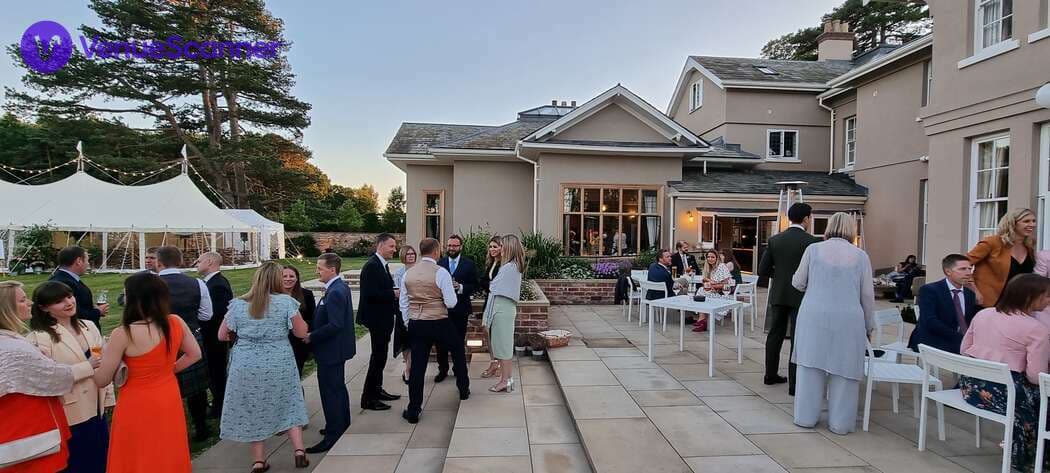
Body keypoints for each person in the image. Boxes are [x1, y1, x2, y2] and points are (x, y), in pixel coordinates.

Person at [95, 272, 200, 473]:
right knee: (168, 447)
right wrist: (167, 370)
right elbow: (194, 354)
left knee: (138, 451)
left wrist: (90, 364)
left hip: (136, 401)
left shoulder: (123, 333)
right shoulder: (175, 322)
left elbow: (102, 379)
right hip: (168, 394)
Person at [219, 262, 311, 471]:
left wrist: (244, 336)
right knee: (289, 402)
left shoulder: (238, 304)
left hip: (246, 362)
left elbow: (222, 335)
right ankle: (299, 451)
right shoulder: (286, 302)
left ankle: (258, 461)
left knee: (253, 407)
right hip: (279, 361)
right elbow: (300, 332)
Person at [791, 212, 874, 435]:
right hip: (848, 317)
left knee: (810, 366)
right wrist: (869, 325)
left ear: (828, 227)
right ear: (852, 229)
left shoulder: (813, 250)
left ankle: (805, 417)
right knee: (845, 370)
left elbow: (798, 282)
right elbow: (867, 295)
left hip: (814, 314)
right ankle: (840, 423)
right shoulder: (861, 256)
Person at [958, 274, 1050, 473]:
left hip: (971, 387)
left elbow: (964, 350)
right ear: (1030, 297)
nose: (1049, 300)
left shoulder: (983, 314)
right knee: (1044, 402)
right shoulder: (1037, 329)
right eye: (1047, 296)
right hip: (1007, 394)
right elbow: (1036, 377)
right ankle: (1035, 458)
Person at [26, 282, 114, 473]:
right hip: (70, 414)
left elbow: (102, 362)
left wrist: (108, 398)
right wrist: (87, 366)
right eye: (59, 301)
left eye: (69, 296)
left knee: (102, 462)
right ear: (44, 308)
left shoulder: (89, 326)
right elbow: (47, 378)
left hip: (97, 410)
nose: (68, 302)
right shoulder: (39, 337)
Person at [0, 281, 78, 473]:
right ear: (6, 308)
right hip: (32, 436)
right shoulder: (14, 348)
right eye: (22, 300)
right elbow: (56, 378)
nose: (29, 303)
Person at [401, 238, 471, 423]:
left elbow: (403, 303)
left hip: (417, 322)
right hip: (439, 321)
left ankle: (413, 410)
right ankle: (463, 389)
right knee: (457, 350)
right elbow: (451, 302)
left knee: (417, 366)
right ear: (436, 251)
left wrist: (408, 321)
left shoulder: (408, 273)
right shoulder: (441, 272)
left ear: (420, 251)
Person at [757, 203, 822, 393]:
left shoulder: (775, 240)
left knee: (774, 335)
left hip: (779, 293)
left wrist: (780, 276)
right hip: (801, 296)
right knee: (797, 338)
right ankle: (794, 384)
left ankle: (770, 375)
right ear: (806, 219)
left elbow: (762, 270)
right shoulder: (812, 242)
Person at [154, 245, 213, 441]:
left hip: (157, 339)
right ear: (179, 261)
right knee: (197, 388)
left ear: (158, 262)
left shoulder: (149, 284)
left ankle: (170, 429)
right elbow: (207, 315)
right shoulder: (197, 283)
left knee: (163, 384)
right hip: (190, 337)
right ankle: (201, 427)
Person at [304, 253, 356, 453]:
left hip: (331, 351)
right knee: (338, 389)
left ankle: (333, 435)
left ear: (332, 269)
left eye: (320, 268)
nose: (317, 271)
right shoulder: (338, 287)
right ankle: (341, 424)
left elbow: (335, 324)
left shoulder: (335, 292)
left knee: (330, 392)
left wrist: (312, 336)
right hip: (336, 349)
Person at [357, 234, 401, 411]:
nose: (394, 250)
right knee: (378, 357)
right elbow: (370, 294)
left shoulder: (381, 265)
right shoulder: (372, 266)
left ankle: (377, 390)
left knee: (381, 356)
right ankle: (368, 398)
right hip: (377, 320)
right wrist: (393, 293)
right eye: (391, 246)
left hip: (383, 318)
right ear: (381, 245)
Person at [906, 254, 981, 354]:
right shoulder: (929, 290)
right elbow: (930, 322)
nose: (968, 273)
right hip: (932, 339)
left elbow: (973, 319)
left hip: (959, 340)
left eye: (970, 269)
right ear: (948, 271)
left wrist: (976, 290)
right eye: (963, 269)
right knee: (975, 354)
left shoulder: (969, 293)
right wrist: (962, 338)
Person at [968, 208, 1037, 308]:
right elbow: (963, 264)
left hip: (1018, 304)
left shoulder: (1029, 246)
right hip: (988, 303)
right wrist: (974, 290)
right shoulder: (992, 242)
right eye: (1026, 221)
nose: (1032, 224)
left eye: (1034, 221)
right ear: (1012, 223)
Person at [482, 235, 524, 394]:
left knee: (504, 346)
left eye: (503, 245)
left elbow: (493, 286)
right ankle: (507, 379)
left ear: (510, 247)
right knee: (500, 344)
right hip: (501, 306)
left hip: (503, 307)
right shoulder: (511, 265)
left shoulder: (510, 267)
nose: (501, 248)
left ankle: (506, 380)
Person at [195, 251, 233, 418]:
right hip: (211, 337)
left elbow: (218, 314)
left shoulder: (218, 285)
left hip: (214, 338)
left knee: (216, 373)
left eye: (199, 261)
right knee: (213, 373)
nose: (196, 264)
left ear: (210, 262)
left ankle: (220, 407)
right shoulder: (211, 282)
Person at [436, 234, 478, 383]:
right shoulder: (439, 263)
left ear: (461, 247)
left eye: (455, 246)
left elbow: (475, 285)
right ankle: (443, 369)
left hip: (461, 310)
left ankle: (457, 369)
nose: (452, 248)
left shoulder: (469, 264)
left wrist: (460, 287)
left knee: (459, 342)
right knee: (440, 342)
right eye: (449, 245)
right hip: (442, 310)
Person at [49, 246, 108, 329]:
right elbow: (74, 312)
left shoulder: (65, 278)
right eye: (87, 260)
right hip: (78, 330)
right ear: (79, 261)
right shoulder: (65, 283)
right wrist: (98, 312)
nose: (88, 264)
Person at [282, 265, 316, 377]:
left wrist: (307, 332)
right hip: (280, 343)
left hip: (299, 343)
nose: (288, 279)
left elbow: (313, 318)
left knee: (296, 374)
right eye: (284, 276)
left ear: (297, 278)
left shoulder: (306, 294)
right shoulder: (273, 296)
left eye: (291, 276)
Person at [692, 249, 736, 333]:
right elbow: (707, 282)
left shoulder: (721, 266)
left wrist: (712, 285)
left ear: (717, 258)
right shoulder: (709, 268)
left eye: (712, 257)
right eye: (708, 257)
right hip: (713, 291)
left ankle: (702, 320)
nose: (710, 259)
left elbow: (726, 284)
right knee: (702, 291)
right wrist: (708, 283)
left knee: (703, 292)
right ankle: (702, 320)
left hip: (723, 294)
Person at [479, 236, 504, 379]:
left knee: (497, 333)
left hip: (498, 301)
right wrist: (489, 285)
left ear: (502, 248)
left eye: (495, 246)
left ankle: (498, 363)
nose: (492, 249)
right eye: (490, 247)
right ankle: (494, 361)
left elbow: (498, 284)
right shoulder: (492, 262)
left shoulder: (503, 265)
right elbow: (483, 281)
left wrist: (489, 285)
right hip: (489, 300)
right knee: (487, 329)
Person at [393, 245, 418, 383]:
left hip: (417, 309)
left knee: (414, 340)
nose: (411, 256)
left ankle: (409, 368)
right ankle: (407, 367)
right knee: (405, 341)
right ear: (403, 256)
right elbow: (397, 293)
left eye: (413, 253)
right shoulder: (399, 273)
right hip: (402, 309)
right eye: (408, 254)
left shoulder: (419, 270)